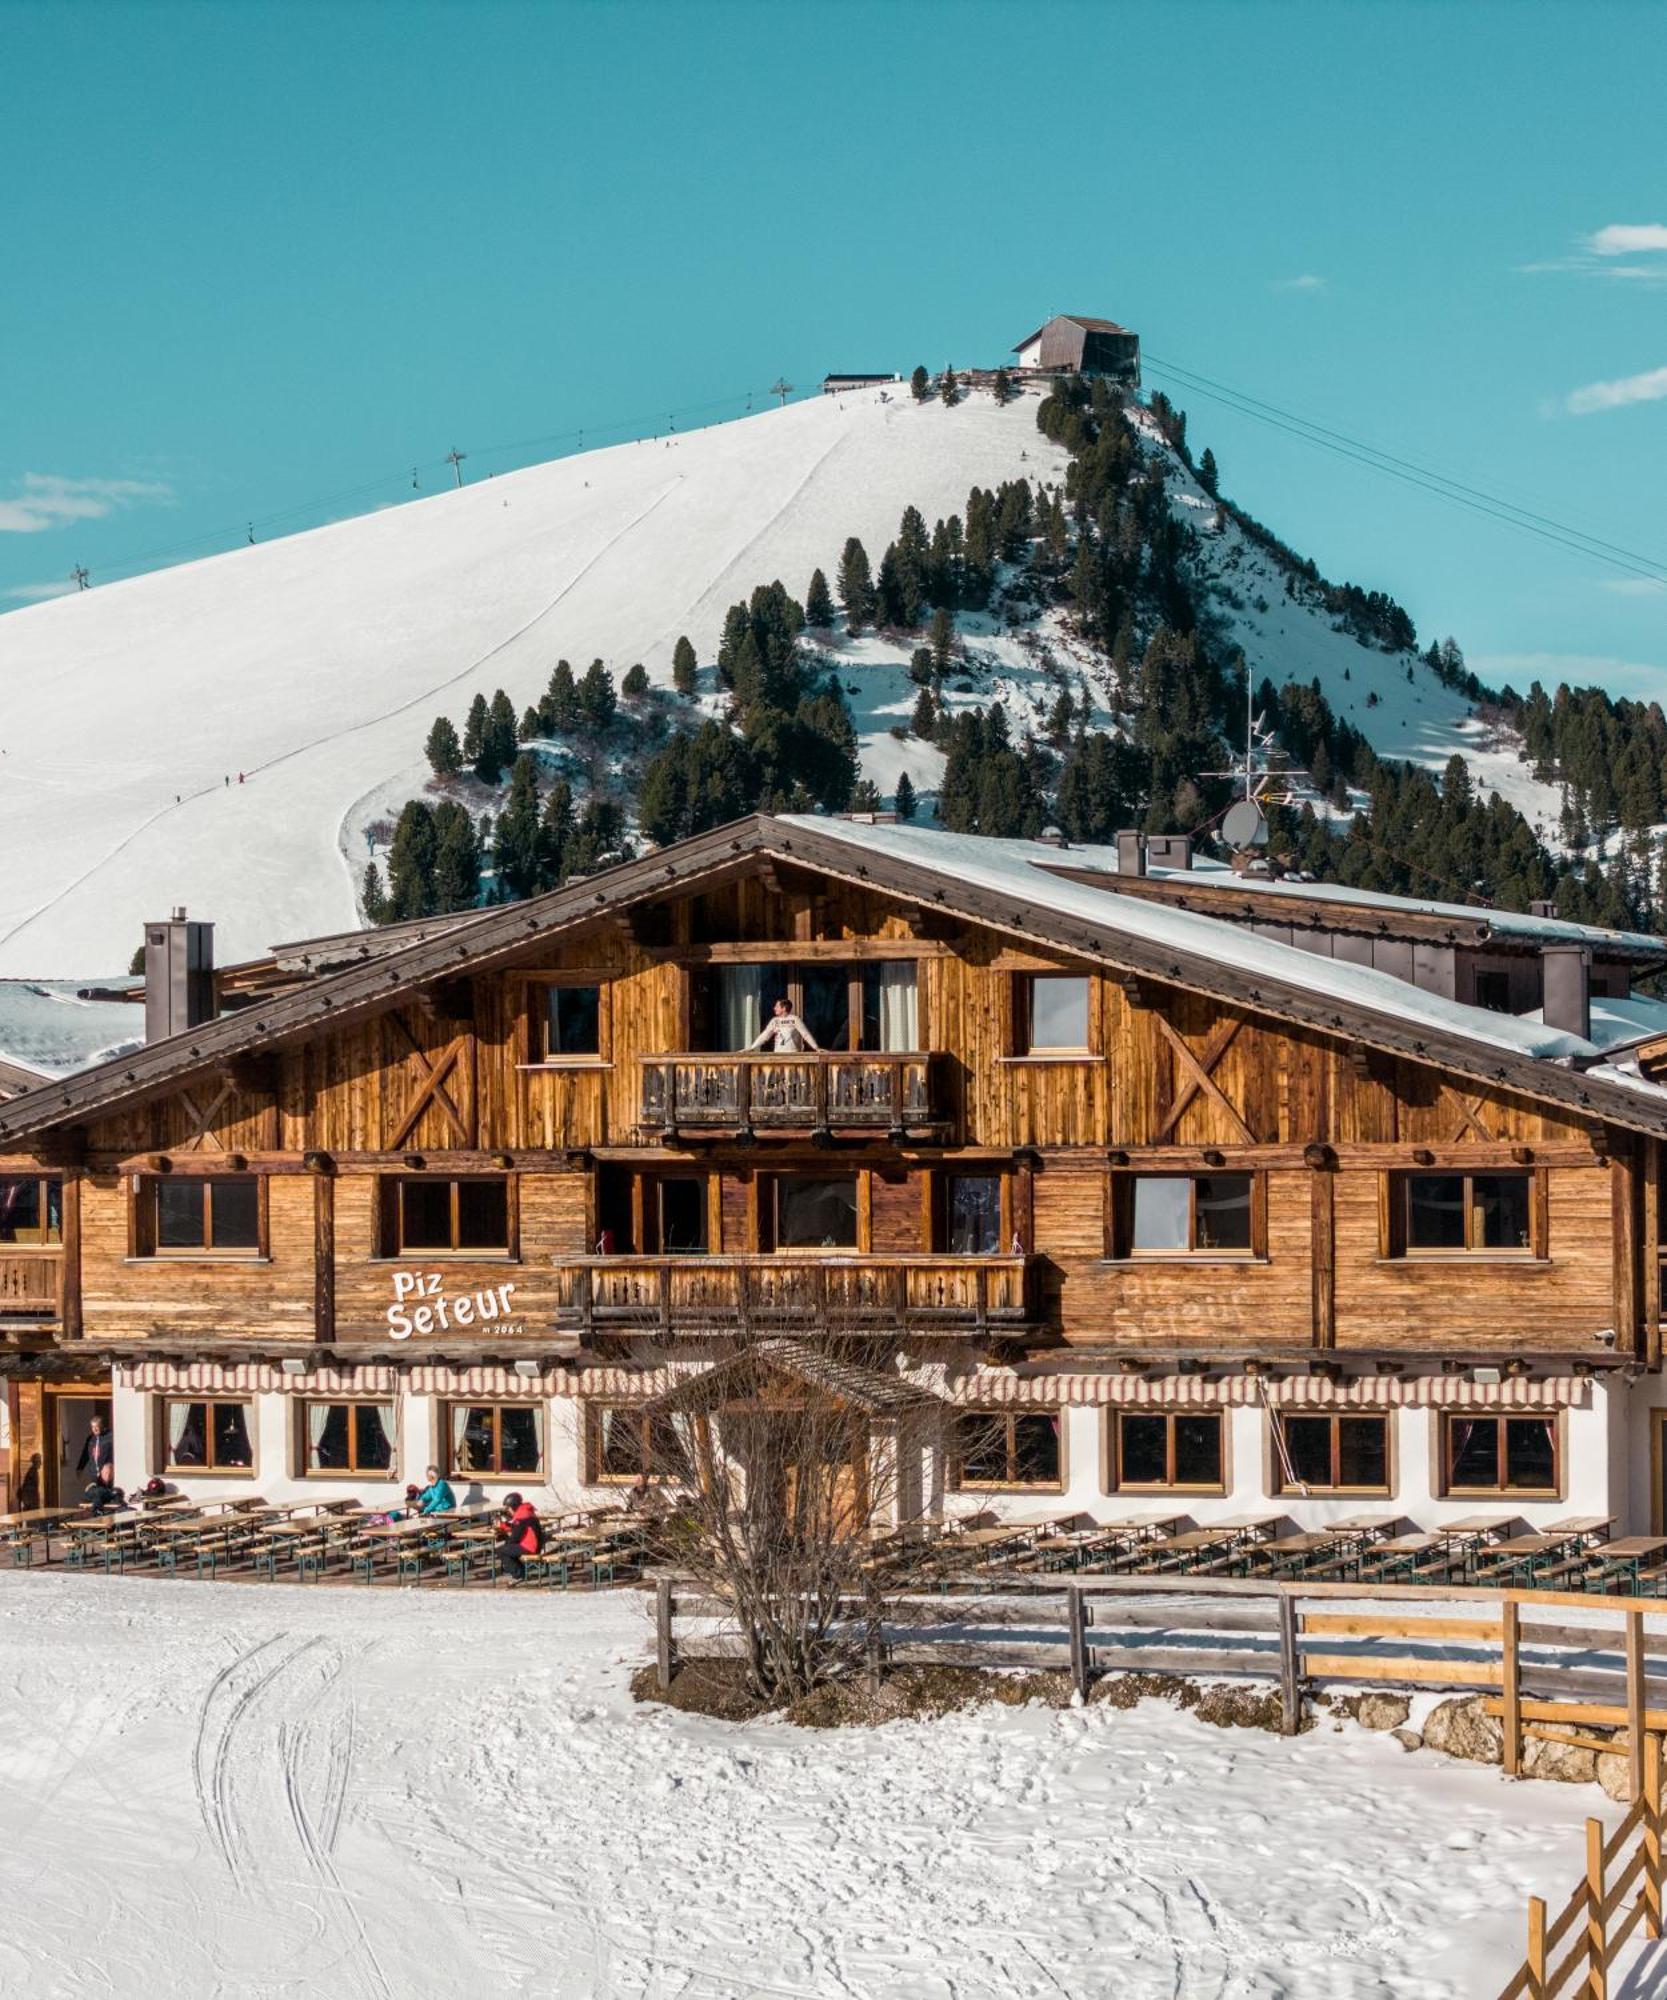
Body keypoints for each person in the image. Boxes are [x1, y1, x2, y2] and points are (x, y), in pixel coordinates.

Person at [494, 1491, 543, 1582]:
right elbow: (516, 1527)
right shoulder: (526, 1511)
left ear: (513, 1506)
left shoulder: (522, 1516)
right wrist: (503, 1526)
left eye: (508, 1508)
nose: (508, 1511)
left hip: (530, 1547)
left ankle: (518, 1575)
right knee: (508, 1549)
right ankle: (521, 1573)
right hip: (534, 1545)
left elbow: (515, 1537)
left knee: (501, 1551)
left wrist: (507, 1544)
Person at [748, 996, 820, 1055]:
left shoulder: (795, 1019)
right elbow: (765, 1035)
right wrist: (752, 1047)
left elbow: (805, 1034)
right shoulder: (774, 1021)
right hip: (778, 1054)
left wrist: (816, 1048)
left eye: (777, 1006)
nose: (774, 1008)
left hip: (793, 1054)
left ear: (784, 1008)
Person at [77, 1413, 115, 1506]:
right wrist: (80, 1468)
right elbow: (85, 1454)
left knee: (107, 1497)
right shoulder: (91, 1439)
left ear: (102, 1426)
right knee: (95, 1495)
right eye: (92, 1427)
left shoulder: (110, 1437)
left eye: (97, 1426)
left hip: (107, 1474)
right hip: (94, 1473)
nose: (95, 1429)